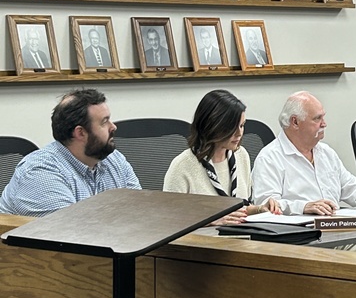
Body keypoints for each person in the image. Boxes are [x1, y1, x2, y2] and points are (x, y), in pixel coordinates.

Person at [252, 91, 356, 215]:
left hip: (337, 230)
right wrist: (304, 207)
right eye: (317, 119)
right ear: (295, 122)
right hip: (301, 238)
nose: (324, 124)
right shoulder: (270, 158)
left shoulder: (326, 153)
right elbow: (267, 206)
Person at [0, 88, 140, 217]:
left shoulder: (113, 159)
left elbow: (141, 211)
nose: (113, 127)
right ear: (80, 133)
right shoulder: (40, 173)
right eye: (104, 122)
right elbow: (72, 234)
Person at [163, 89, 280, 225]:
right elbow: (169, 219)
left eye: (242, 126)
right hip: (202, 241)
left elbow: (239, 210)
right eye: (232, 127)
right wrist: (210, 220)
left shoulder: (241, 156)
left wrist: (261, 209)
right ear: (212, 125)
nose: (239, 133)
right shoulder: (183, 166)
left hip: (240, 237)